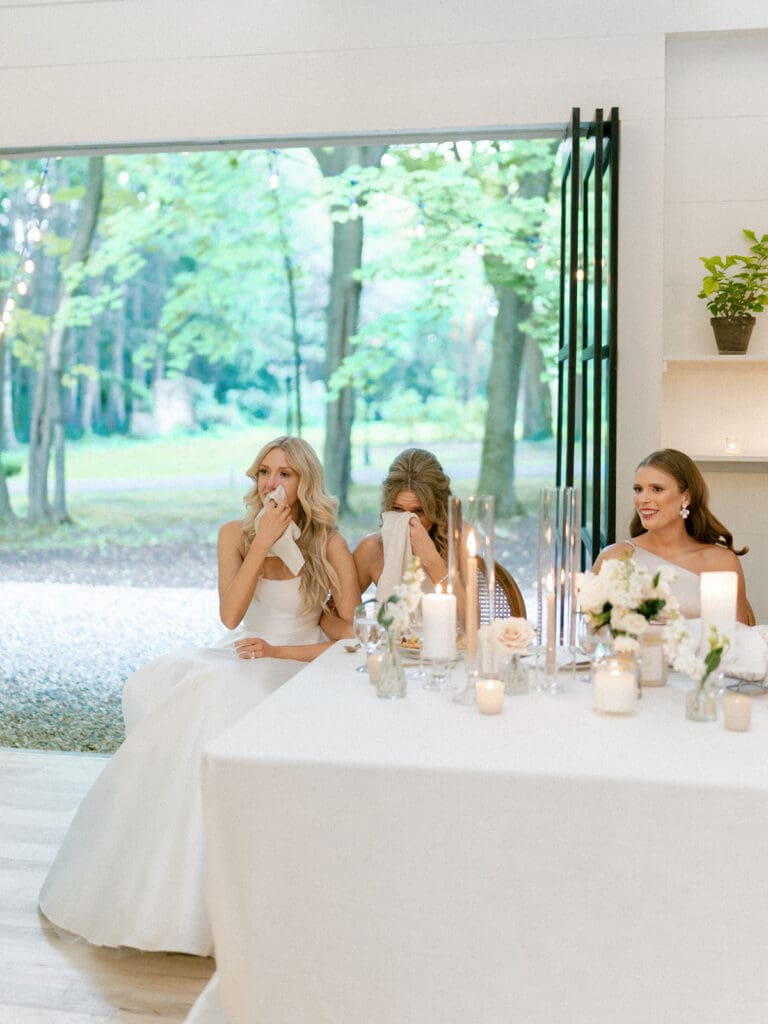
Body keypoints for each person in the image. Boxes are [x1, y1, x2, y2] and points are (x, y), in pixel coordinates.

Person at [39, 436, 360, 957]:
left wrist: (308, 563)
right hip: (245, 650)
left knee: (242, 702)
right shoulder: (234, 534)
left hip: (296, 660)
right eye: (264, 473)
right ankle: (174, 894)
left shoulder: (331, 543)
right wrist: (262, 544)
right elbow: (231, 617)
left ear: (306, 483)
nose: (272, 484)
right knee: (208, 693)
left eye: (285, 474)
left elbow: (343, 630)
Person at [594, 447, 751, 622]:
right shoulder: (614, 557)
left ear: (686, 497)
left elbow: (740, 638)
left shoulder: (721, 561)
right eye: (638, 489)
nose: (643, 499)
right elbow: (591, 633)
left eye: (657, 489)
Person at [352, 447, 452, 602]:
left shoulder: (457, 542)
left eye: (419, 511)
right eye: (398, 510)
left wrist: (431, 558)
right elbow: (333, 613)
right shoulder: (373, 549)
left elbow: (471, 618)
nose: (407, 521)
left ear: (437, 509)